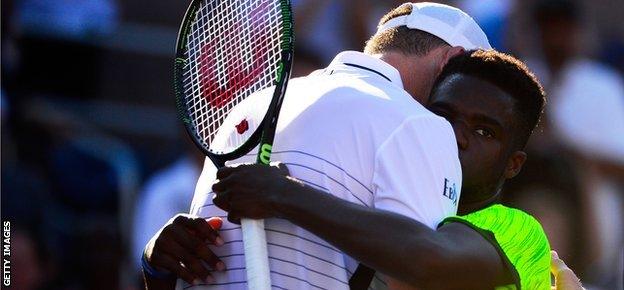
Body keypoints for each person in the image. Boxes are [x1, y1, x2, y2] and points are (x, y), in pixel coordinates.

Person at [143, 2, 491, 290]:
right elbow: (424, 274)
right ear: (450, 60)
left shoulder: (251, 106)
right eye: (469, 85)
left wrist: (155, 268)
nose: (462, 124)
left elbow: (198, 268)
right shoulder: (423, 125)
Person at [210, 50, 552, 289]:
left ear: (513, 164)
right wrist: (162, 269)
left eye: (484, 132)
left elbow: (429, 260)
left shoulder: (520, 232)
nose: (454, 135)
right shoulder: (370, 213)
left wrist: (283, 194)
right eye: (443, 116)